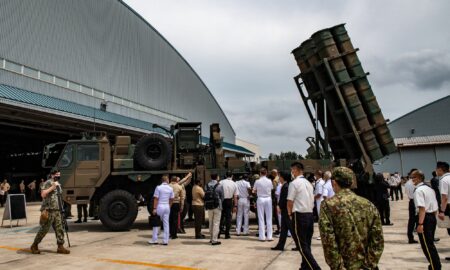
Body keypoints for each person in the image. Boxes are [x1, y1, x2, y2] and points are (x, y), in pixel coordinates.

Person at [319, 167, 383, 270]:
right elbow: (377, 239)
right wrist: (369, 265)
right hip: (367, 266)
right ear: (351, 182)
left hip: (345, 265)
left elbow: (328, 242)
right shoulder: (368, 204)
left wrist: (338, 267)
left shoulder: (328, 206)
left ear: (333, 182)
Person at [287, 162, 320, 270]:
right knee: (307, 244)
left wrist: (289, 213)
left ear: (296, 170)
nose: (292, 172)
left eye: (292, 170)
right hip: (309, 215)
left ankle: (315, 268)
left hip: (299, 215)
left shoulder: (294, 183)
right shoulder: (308, 183)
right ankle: (304, 266)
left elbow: (290, 201)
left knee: (301, 246)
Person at [30, 170, 70, 254]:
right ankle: (34, 245)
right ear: (52, 175)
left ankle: (60, 246)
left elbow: (58, 197)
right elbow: (43, 194)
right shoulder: (48, 182)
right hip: (49, 210)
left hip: (57, 210)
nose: (58, 176)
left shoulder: (58, 184)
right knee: (44, 229)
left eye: (59, 174)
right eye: (56, 174)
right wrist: (52, 187)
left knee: (60, 229)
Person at [411, 169, 441, 270]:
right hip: (431, 217)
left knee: (427, 246)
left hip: (424, 219)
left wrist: (420, 224)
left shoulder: (418, 190)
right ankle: (434, 265)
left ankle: (435, 266)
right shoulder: (429, 188)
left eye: (414, 177)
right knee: (430, 244)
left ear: (419, 178)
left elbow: (421, 208)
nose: (412, 180)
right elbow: (435, 206)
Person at [149, 174, 174, 245]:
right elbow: (172, 199)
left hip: (160, 206)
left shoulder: (158, 187)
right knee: (166, 224)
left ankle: (155, 240)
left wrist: (154, 208)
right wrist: (169, 206)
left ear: (162, 180)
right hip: (167, 206)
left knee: (156, 223)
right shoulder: (170, 188)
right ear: (167, 180)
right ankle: (165, 241)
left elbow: (156, 199)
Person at [271, 171, 293, 251]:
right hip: (284, 210)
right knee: (283, 230)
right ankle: (280, 245)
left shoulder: (286, 186)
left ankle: (299, 245)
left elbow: (284, 199)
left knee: (292, 229)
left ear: (283, 177)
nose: (279, 178)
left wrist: (279, 206)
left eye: (280, 176)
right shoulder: (285, 185)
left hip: (286, 210)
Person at [253, 168, 274, 241]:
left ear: (260, 173)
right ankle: (269, 236)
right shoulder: (269, 181)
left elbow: (254, 190)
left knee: (261, 218)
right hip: (268, 198)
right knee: (269, 217)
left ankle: (262, 237)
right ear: (266, 173)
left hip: (260, 199)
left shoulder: (257, 181)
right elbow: (271, 188)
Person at [436, 161, 450, 261]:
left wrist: (442, 211)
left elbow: (444, 197)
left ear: (441, 170)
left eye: (437, 169)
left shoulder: (444, 180)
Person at [219, 171, 237, 239]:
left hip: (222, 200)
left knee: (220, 217)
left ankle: (218, 233)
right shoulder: (234, 183)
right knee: (228, 218)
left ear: (225, 175)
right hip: (229, 201)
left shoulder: (221, 182)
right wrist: (235, 205)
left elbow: (218, 191)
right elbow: (235, 196)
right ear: (231, 176)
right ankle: (227, 234)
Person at [207, 173, 224, 245]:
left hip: (209, 205)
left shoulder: (207, 185)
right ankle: (214, 240)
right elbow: (222, 196)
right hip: (217, 206)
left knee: (210, 222)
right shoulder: (219, 185)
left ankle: (211, 238)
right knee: (216, 223)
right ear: (217, 177)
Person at [405, 168, 419, 244]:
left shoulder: (407, 183)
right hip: (416, 201)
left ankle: (410, 237)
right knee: (419, 220)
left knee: (411, 220)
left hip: (411, 201)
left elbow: (407, 193)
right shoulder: (415, 183)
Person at [169, 175, 184, 239]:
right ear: (176, 180)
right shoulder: (179, 187)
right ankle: (174, 234)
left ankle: (170, 233)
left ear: (171, 180)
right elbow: (182, 198)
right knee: (175, 219)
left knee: (170, 219)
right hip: (176, 203)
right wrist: (182, 206)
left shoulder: (168, 186)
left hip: (169, 204)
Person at [430, 171, 441, 242]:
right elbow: (438, 187)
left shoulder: (431, 179)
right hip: (437, 193)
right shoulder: (437, 180)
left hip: (434, 193)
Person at [314, 170, 325, 239]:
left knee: (321, 218)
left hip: (319, 202)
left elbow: (319, 194)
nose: (314, 176)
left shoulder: (319, 183)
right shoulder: (322, 182)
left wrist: (312, 198)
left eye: (315, 175)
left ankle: (322, 234)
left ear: (318, 175)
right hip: (320, 201)